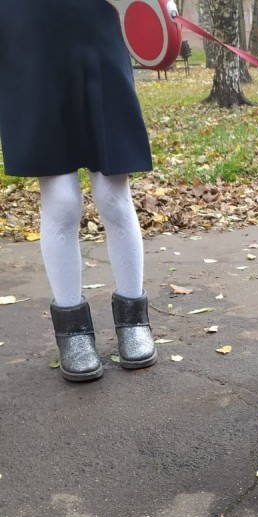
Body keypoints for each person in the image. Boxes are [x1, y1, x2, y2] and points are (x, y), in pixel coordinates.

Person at [0, 0, 158, 381]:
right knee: (62, 200)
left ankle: (133, 320)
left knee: (113, 195)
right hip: (29, 35)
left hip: (97, 26)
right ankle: (72, 332)